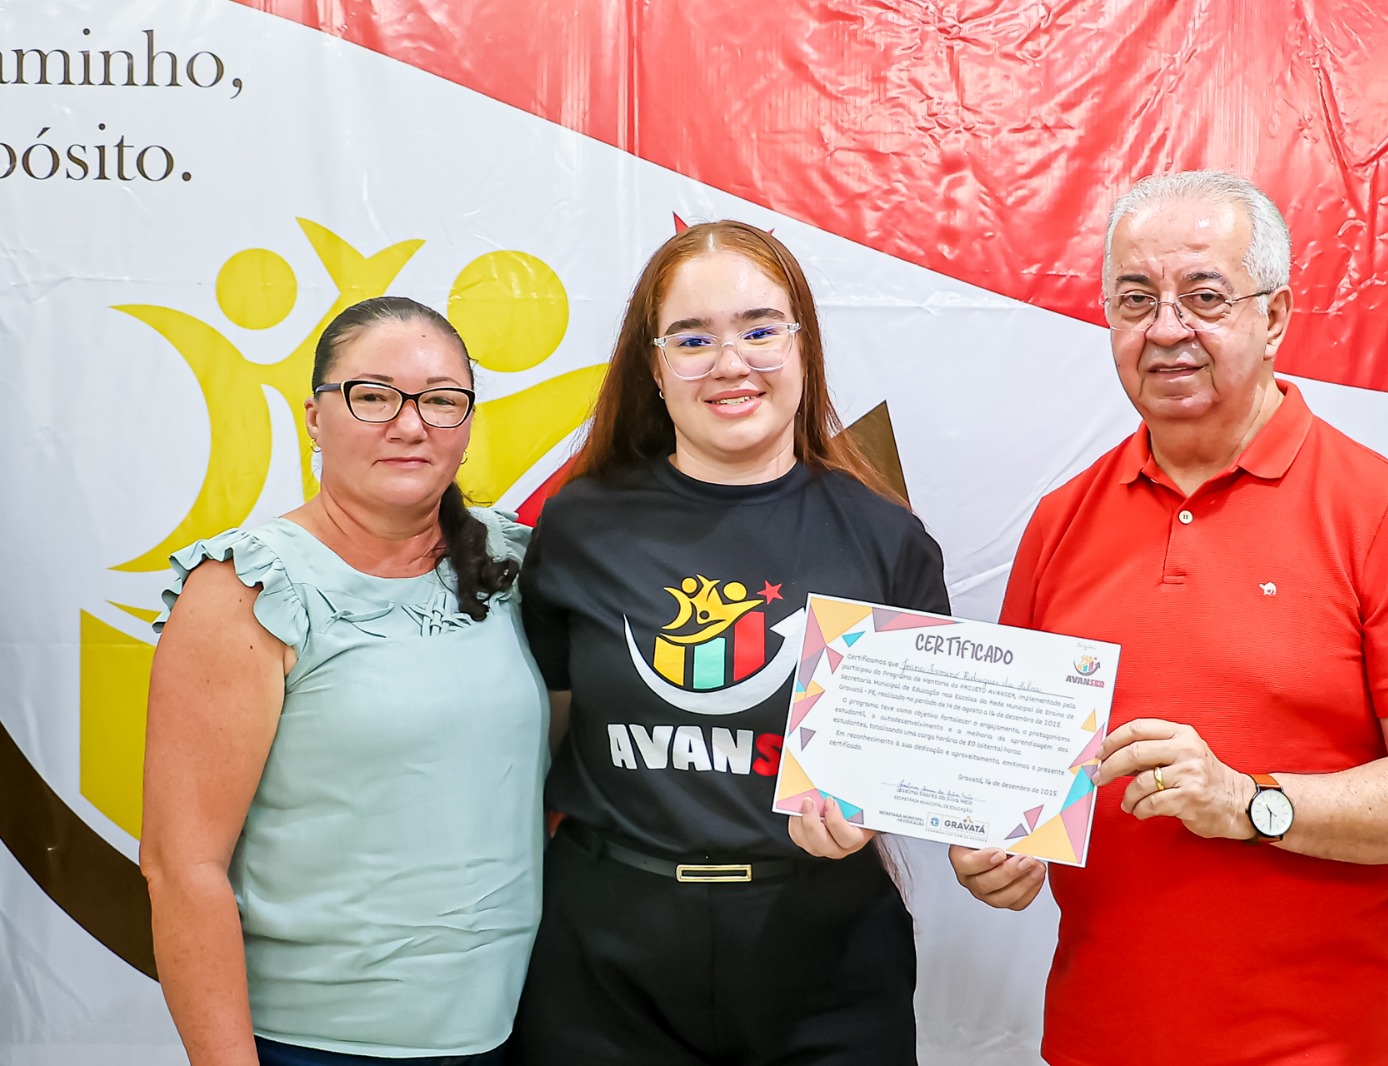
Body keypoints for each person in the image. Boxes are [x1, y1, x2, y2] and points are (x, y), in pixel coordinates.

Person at [949, 171, 1388, 1065]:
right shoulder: (1061, 520)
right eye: (1136, 300)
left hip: (1322, 1049)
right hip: (1097, 1041)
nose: (1167, 329)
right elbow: (1013, 785)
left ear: (1275, 316)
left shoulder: (1380, 511)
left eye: (1205, 297)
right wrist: (996, 850)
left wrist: (1252, 802)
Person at [509, 220, 949, 1065]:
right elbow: (536, 734)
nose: (730, 362)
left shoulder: (885, 538)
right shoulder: (579, 524)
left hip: (827, 956)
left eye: (759, 329)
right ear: (653, 365)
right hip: (606, 957)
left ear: (802, 344)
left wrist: (904, 825)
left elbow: (925, 765)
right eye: (692, 338)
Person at [141, 296, 549, 1066]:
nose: (410, 424)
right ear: (314, 418)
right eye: (373, 395)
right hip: (316, 1044)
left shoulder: (517, 561)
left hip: (509, 1031)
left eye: (441, 400)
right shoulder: (247, 589)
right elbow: (182, 868)